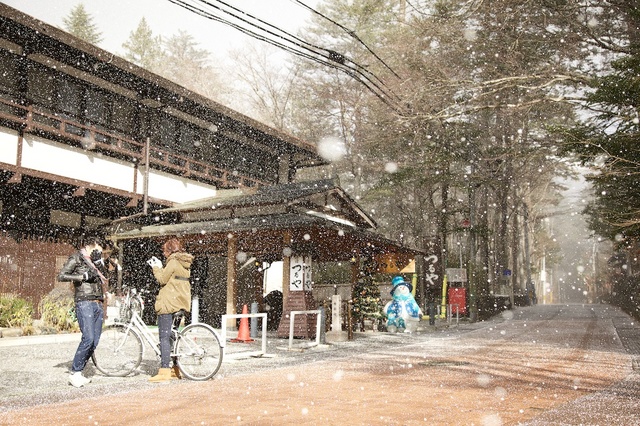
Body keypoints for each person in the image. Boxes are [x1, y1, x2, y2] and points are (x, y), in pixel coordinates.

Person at [58, 234, 108, 388]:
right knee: (88, 337)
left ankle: (79, 371)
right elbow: (61, 276)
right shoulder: (77, 258)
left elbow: (105, 277)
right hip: (84, 301)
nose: (99, 253)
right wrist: (82, 276)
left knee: (95, 340)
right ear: (91, 245)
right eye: (98, 250)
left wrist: (100, 263)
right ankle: (75, 372)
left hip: (98, 301)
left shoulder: (96, 260)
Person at [147, 237, 193, 382]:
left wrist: (156, 267)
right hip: (181, 303)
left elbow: (162, 279)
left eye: (165, 251)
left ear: (169, 250)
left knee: (164, 337)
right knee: (173, 337)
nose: (164, 253)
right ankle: (175, 369)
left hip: (169, 303)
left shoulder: (173, 262)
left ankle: (164, 371)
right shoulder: (185, 263)